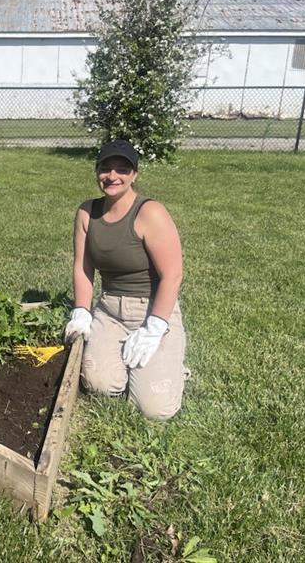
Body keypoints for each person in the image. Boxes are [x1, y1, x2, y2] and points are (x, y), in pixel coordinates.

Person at [64, 139, 187, 421]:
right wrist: (82, 311)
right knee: (99, 385)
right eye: (105, 168)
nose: (112, 176)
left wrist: (155, 327)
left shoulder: (150, 212)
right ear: (97, 171)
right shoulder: (86, 213)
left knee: (154, 409)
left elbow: (173, 274)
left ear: (134, 175)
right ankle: (139, 361)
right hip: (110, 311)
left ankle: (173, 365)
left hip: (152, 309)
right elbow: (83, 267)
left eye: (122, 169)